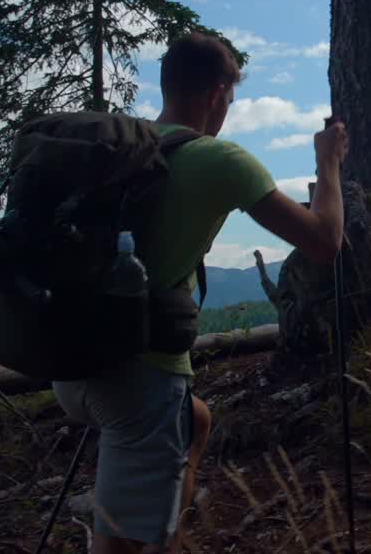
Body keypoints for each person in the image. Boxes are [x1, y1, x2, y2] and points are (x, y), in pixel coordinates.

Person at [51, 31, 349, 553]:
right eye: (230, 100)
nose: (228, 111)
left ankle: (169, 533)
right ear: (216, 93)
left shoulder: (126, 149)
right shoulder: (220, 159)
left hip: (73, 361)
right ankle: (160, 537)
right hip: (140, 381)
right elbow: (324, 241)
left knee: (197, 420)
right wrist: (328, 164)